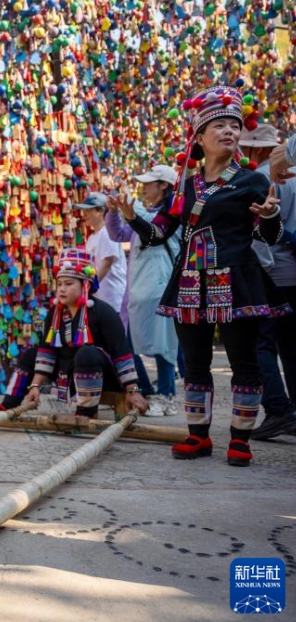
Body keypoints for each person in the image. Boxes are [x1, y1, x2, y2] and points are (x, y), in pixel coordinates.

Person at [126, 86, 289, 467]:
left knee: (244, 363)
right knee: (195, 363)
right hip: (189, 284)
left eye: (235, 125)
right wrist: (132, 217)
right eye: (220, 125)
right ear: (199, 137)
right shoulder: (186, 185)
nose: (230, 131)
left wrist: (267, 217)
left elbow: (269, 236)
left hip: (236, 281)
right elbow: (158, 234)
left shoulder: (253, 182)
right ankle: (198, 435)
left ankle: (240, 439)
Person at [0, 248, 148, 417]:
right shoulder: (55, 313)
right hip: (68, 374)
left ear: (85, 285)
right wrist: (35, 386)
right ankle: (8, 405)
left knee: (87, 352)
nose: (62, 289)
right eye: (60, 284)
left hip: (104, 377)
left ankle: (85, 412)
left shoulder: (104, 313)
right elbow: (47, 351)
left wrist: (133, 390)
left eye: (69, 284)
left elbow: (121, 353)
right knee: (31, 354)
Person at [106, 165, 183, 416]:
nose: (144, 187)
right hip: (140, 293)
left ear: (164, 185)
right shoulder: (141, 214)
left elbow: (152, 231)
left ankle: (167, 396)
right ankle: (146, 391)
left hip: (160, 288)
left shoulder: (172, 215)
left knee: (164, 346)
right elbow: (118, 234)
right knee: (131, 345)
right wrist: (114, 212)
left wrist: (130, 208)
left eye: (150, 183)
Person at [242, 124, 296, 440]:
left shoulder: (264, 177)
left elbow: (263, 233)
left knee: (259, 341)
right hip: (292, 271)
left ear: (258, 150)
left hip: (273, 271)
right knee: (290, 346)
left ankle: (278, 409)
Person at [73, 192, 128, 321]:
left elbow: (107, 263)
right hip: (100, 299)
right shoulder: (92, 237)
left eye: (88, 210)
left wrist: (90, 287)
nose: (84, 215)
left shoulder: (107, 232)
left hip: (113, 300)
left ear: (100, 211)